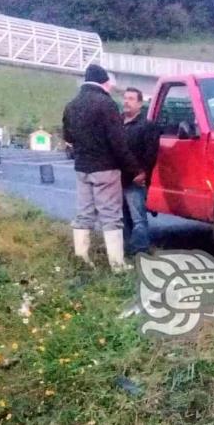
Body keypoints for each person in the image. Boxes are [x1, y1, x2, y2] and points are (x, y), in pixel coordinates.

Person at [62, 64, 146, 272]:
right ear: (103, 82)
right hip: (105, 168)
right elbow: (118, 143)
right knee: (110, 216)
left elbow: (68, 137)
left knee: (84, 214)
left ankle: (82, 258)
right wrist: (135, 170)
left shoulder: (71, 105)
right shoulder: (106, 104)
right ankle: (117, 264)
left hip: (82, 168)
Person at [121, 87, 159, 255]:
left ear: (139, 103)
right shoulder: (117, 123)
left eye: (130, 99)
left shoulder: (147, 126)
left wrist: (143, 173)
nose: (126, 102)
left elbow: (151, 152)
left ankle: (140, 251)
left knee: (138, 219)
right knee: (123, 218)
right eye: (125, 98)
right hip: (118, 179)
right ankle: (126, 249)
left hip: (136, 180)